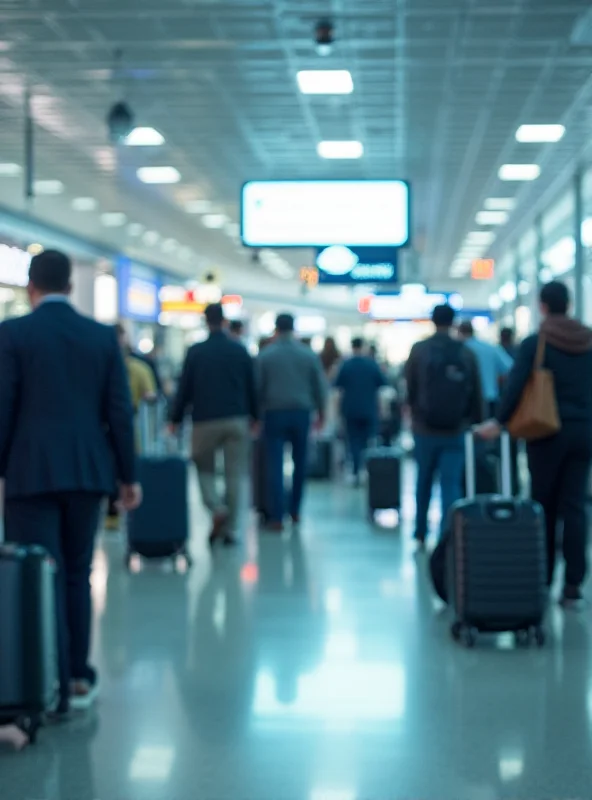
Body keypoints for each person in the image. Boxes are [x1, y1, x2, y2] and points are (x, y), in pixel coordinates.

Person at [0, 250, 139, 716]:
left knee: (39, 575)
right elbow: (119, 412)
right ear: (71, 287)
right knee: (78, 574)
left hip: (29, 474)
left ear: (30, 287)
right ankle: (78, 676)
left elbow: (3, 409)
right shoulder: (100, 337)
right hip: (87, 473)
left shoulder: (12, 334)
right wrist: (128, 475)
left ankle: (46, 683)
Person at [477, 281, 592, 608]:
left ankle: (542, 578)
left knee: (543, 503)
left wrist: (499, 422)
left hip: (546, 431)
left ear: (542, 306)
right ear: (568, 304)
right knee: (575, 506)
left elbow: (515, 386)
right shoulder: (587, 340)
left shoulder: (538, 342)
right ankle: (573, 586)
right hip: (584, 431)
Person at [171, 303, 258, 547]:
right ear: (225, 322)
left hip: (204, 420)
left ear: (205, 321)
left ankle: (216, 508)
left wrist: (175, 419)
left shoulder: (196, 352)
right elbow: (252, 386)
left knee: (203, 469)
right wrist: (255, 416)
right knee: (235, 474)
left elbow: (184, 388)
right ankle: (231, 530)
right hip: (236, 419)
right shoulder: (239, 350)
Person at [405, 304, 483, 548]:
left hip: (424, 428)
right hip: (455, 430)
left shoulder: (419, 350)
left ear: (432, 320)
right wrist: (473, 421)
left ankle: (420, 531)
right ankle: (448, 534)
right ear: (453, 322)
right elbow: (476, 393)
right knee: (451, 483)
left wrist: (415, 414)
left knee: (423, 480)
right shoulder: (466, 353)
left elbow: (410, 388)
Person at [258, 313, 327, 532]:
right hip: (301, 413)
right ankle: (295, 510)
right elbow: (319, 387)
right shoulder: (307, 355)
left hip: (274, 413)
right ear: (293, 329)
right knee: (300, 463)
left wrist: (255, 416)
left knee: (275, 465)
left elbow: (257, 389)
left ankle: (277, 516)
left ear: (275, 329)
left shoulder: (266, 355)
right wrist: (321, 413)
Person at [105, 324, 156, 531]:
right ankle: (119, 509)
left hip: (112, 424)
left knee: (114, 467)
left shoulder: (132, 367)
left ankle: (114, 512)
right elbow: (151, 396)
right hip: (128, 423)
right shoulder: (137, 367)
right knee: (123, 465)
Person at [335, 337, 386, 483]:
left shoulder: (345, 365)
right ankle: (367, 469)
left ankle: (356, 469)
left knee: (353, 440)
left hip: (350, 408)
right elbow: (382, 385)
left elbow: (337, 387)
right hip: (369, 408)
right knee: (369, 439)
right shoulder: (372, 364)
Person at [458, 320, 513, 417]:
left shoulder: (459, 350)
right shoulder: (490, 348)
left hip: (464, 400)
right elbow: (510, 368)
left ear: (459, 332)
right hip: (489, 397)